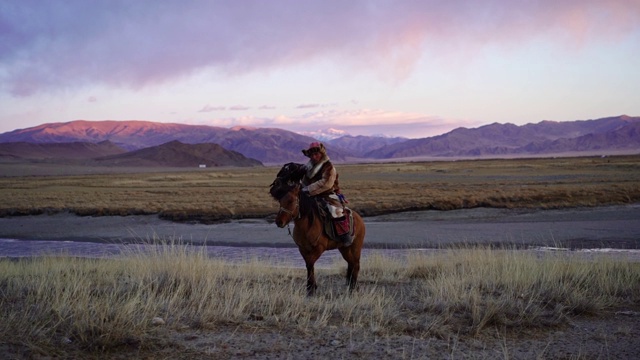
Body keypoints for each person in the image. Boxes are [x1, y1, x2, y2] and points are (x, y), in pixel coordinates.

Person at [300, 142, 351, 244]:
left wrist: (307, 189)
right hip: (310, 194)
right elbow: (304, 181)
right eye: (312, 155)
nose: (314, 157)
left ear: (321, 154)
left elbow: (326, 183)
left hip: (327, 194)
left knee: (335, 211)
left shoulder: (329, 167)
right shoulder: (308, 168)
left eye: (316, 154)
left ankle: (344, 235)